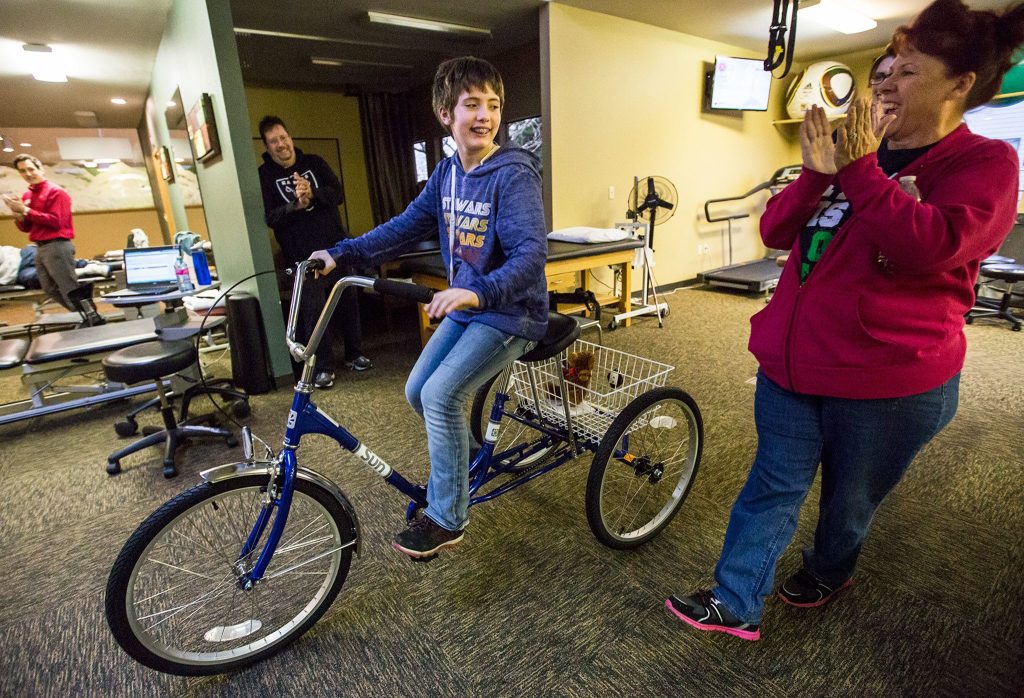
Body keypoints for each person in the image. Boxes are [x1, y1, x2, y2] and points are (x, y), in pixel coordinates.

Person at [667, 0, 1024, 641]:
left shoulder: (985, 163)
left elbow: (929, 246)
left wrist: (859, 169)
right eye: (881, 72)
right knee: (772, 483)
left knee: (847, 501)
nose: (884, 84)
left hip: (889, 382)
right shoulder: (851, 154)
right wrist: (816, 174)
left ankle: (830, 570)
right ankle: (735, 599)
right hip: (792, 364)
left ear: (959, 85)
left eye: (907, 72)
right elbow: (776, 230)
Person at [309, 56, 548, 559]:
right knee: (418, 391)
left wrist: (477, 292)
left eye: (493, 105)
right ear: (445, 114)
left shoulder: (513, 174)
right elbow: (403, 227)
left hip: (512, 312)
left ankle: (447, 517)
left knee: (441, 396)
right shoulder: (447, 174)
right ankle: (461, 468)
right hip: (470, 306)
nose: (484, 116)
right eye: (471, 105)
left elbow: (531, 256)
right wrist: (340, 252)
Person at [258, 115, 372, 389]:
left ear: (290, 138)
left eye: (283, 138)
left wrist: (313, 194)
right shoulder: (264, 176)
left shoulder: (315, 163)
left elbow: (337, 194)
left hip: (335, 248)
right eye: (273, 141)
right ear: (267, 147)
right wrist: (295, 205)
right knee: (314, 313)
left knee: (348, 300)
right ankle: (322, 367)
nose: (281, 144)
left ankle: (354, 354)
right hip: (303, 257)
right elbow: (270, 217)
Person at [3, 154, 79, 310]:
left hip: (57, 245)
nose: (28, 174)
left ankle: (91, 318)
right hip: (40, 247)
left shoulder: (56, 192)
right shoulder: (28, 195)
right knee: (49, 288)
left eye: (31, 169)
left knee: (69, 287)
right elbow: (27, 228)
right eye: (23, 171)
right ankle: (81, 313)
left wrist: (25, 210)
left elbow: (56, 222)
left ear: (41, 169)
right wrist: (19, 215)